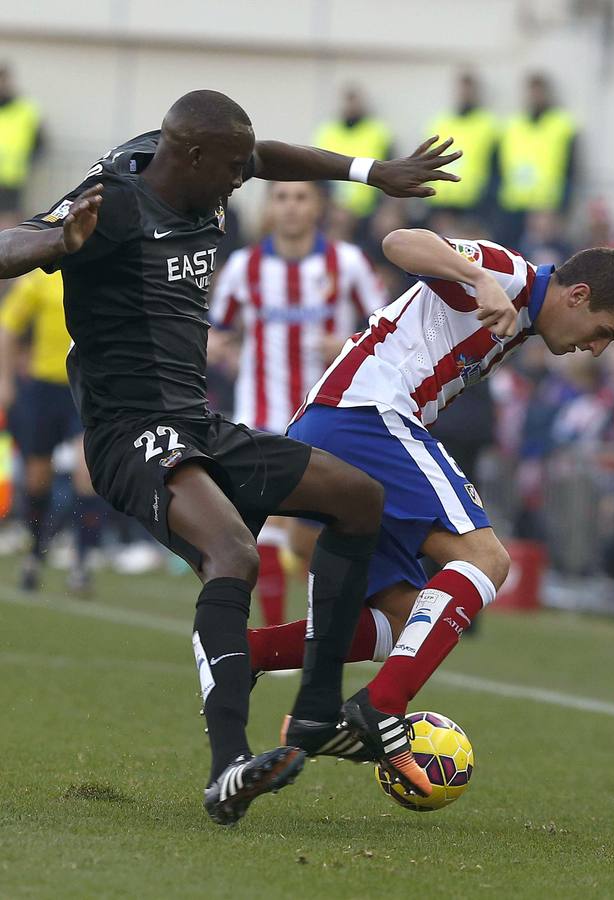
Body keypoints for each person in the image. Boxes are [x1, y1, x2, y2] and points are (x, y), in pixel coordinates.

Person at [0, 90, 463, 824]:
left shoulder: (196, 157)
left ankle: (314, 717)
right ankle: (228, 771)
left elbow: (266, 153)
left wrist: (372, 172)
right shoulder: (113, 203)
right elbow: (10, 245)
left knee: (359, 499)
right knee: (235, 555)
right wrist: (58, 245)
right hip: (131, 434)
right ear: (189, 158)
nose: (242, 183)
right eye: (231, 170)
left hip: (200, 423)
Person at [248, 230, 614, 757]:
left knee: (405, 621)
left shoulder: (522, 322)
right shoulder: (510, 275)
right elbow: (398, 242)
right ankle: (380, 709)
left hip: (336, 424)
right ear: (576, 296)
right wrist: (480, 277)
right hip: (365, 416)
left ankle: (244, 653)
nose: (596, 348)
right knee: (485, 559)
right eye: (604, 332)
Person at [209, 180, 387, 626]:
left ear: (318, 206)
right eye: (281, 197)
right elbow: (216, 329)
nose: (290, 207)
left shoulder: (346, 264)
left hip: (327, 420)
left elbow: (387, 330)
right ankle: (273, 630)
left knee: (318, 535)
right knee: (263, 530)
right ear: (270, 207)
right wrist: (221, 347)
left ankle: (331, 624)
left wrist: (347, 343)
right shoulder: (243, 267)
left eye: (300, 197)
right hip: (259, 416)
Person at [0, 268, 102, 593]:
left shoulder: (101, 273)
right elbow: (8, 326)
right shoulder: (41, 279)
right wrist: (5, 378)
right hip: (45, 389)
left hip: (85, 388)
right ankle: (34, 553)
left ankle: (82, 563)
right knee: (37, 479)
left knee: (88, 472)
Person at [496, 73, 578, 248]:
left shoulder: (561, 124)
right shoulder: (513, 124)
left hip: (546, 205)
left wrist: (562, 207)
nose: (535, 96)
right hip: (514, 204)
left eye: (539, 91)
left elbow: (571, 169)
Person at [423, 72, 499, 227]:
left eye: (468, 90)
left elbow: (495, 165)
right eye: (461, 89)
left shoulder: (488, 124)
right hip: (441, 201)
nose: (464, 94)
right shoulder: (440, 122)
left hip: (473, 202)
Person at [313, 85, 394, 223]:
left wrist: (386, 210)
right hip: (332, 212)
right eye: (348, 100)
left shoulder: (378, 132)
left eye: (355, 100)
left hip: (370, 212)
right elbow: (316, 174)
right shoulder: (326, 132)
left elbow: (392, 171)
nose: (351, 106)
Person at [0, 64, 44, 228]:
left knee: (8, 220)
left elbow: (40, 143)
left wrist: (27, 162)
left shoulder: (25, 109)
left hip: (11, 177)